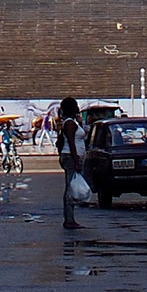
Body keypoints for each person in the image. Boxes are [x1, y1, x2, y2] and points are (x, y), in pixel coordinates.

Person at [56, 95, 83, 230]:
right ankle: (69, 219)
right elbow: (71, 143)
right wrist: (76, 160)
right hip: (71, 157)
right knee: (70, 188)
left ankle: (70, 218)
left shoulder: (72, 122)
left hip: (72, 156)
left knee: (71, 187)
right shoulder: (70, 123)